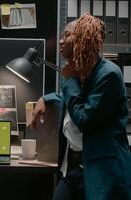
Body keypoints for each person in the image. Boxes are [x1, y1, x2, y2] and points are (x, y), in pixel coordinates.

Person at [32, 13, 131, 200]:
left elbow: (85, 119)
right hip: (73, 167)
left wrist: (69, 80)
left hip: (102, 171)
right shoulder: (83, 72)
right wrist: (45, 98)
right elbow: (77, 98)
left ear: (83, 39)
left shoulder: (108, 74)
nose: (60, 41)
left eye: (66, 35)